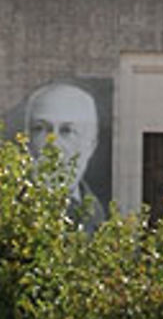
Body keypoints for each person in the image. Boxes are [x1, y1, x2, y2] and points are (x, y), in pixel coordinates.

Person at [24, 81, 105, 231]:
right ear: (27, 140)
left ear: (91, 145)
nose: (53, 144)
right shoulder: (4, 211)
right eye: (41, 129)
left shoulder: (105, 220)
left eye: (67, 131)